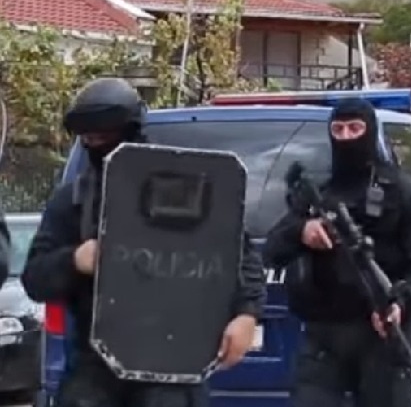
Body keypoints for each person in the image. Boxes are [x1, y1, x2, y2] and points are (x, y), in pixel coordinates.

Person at [21, 78, 265, 407]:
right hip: (96, 367)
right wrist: (75, 260)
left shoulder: (188, 188)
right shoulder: (75, 200)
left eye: (105, 137)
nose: (97, 145)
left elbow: (238, 255)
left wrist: (247, 315)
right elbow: (35, 278)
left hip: (174, 367)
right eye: (89, 139)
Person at [262, 97, 411, 407]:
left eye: (354, 128)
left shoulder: (403, 192)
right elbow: (272, 249)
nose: (346, 137)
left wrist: (401, 303)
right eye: (338, 129)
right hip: (325, 336)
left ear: (370, 131)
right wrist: (302, 231)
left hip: (382, 334)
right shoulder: (320, 194)